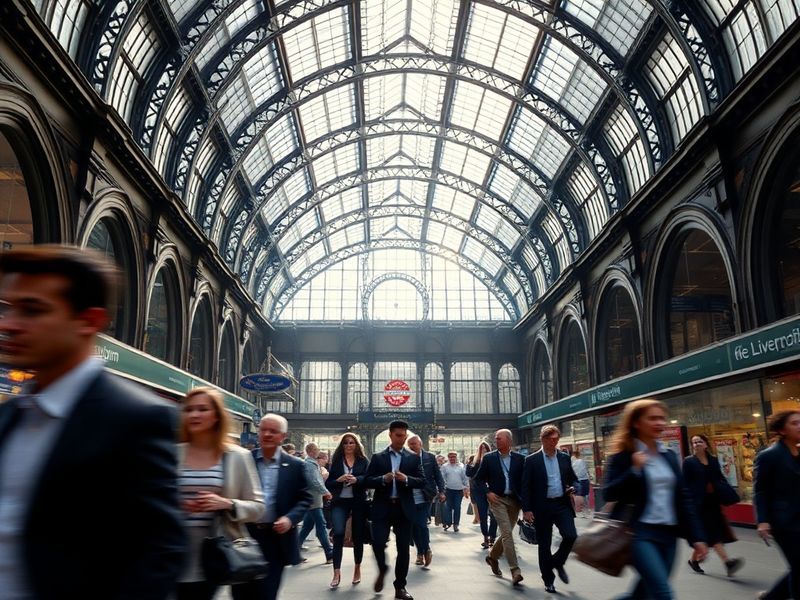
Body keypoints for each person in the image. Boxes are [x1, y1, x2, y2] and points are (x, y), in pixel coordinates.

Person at [0, 244, 187, 599]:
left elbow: (155, 559)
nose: (8, 324)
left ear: (88, 321)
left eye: (32, 310)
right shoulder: (9, 416)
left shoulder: (136, 419)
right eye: (9, 308)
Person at [603, 399, 708, 600]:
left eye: (661, 418)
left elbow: (683, 498)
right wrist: (634, 470)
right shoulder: (623, 456)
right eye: (652, 418)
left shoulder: (668, 455)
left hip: (669, 535)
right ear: (636, 422)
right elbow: (609, 493)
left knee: (645, 592)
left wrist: (697, 537)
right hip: (639, 533)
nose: (659, 423)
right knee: (663, 593)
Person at [176, 387, 265, 599]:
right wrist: (177, 505)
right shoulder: (172, 453)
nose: (194, 414)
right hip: (170, 555)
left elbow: (258, 508)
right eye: (189, 409)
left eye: (202, 409)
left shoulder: (237, 457)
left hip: (212, 559)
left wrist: (227, 504)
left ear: (216, 416)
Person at [237, 414, 312, 600]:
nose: (267, 434)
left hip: (275, 540)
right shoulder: (244, 460)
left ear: (283, 436)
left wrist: (290, 518)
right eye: (263, 430)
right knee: (241, 593)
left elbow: (305, 498)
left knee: (267, 593)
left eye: (273, 431)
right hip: (244, 537)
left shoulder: (295, 466)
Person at [365, 420, 425, 600]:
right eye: (398, 435)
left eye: (404, 435)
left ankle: (400, 587)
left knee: (403, 550)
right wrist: (382, 479)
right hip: (382, 507)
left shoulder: (413, 457)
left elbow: (422, 481)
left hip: (404, 509)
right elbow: (366, 480)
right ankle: (383, 568)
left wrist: (406, 479)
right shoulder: (377, 457)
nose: (402, 439)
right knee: (377, 543)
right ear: (390, 435)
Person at [522, 425, 578, 594]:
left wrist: (572, 487)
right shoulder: (532, 460)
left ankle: (557, 561)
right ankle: (548, 580)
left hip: (561, 504)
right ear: (543, 439)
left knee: (571, 535)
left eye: (556, 439)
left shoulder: (564, 457)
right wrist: (527, 509)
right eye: (551, 439)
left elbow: (572, 479)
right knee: (544, 545)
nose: (554, 442)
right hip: (542, 506)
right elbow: (526, 487)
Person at [754, 409, 800, 600]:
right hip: (784, 522)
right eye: (795, 423)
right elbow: (760, 491)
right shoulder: (769, 456)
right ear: (782, 430)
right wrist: (762, 521)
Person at [682, 434, 743, 577]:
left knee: (708, 535)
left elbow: (720, 478)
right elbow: (684, 485)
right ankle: (728, 563)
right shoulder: (689, 462)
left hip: (713, 501)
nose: (696, 444)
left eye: (699, 441)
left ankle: (693, 561)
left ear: (705, 444)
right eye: (694, 442)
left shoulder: (714, 460)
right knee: (713, 535)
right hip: (698, 504)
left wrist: (725, 492)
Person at [473, 428, 525, 586]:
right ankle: (515, 570)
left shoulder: (520, 459)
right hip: (497, 500)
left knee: (506, 533)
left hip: (515, 501)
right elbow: (478, 480)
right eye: (495, 439)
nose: (496, 441)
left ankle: (492, 557)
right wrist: (488, 492)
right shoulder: (489, 458)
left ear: (509, 441)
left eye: (499, 439)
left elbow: (525, 481)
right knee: (507, 533)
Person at [326, 432, 370, 588]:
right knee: (338, 533)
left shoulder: (363, 461)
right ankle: (336, 572)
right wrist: (339, 480)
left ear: (356, 444)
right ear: (342, 445)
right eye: (346, 443)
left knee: (358, 536)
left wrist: (357, 479)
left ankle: (357, 568)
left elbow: (369, 479)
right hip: (340, 502)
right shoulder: (337, 461)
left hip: (358, 502)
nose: (349, 445)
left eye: (352, 442)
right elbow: (329, 483)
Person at [407, 434, 445, 567]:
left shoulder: (430, 457)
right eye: (409, 444)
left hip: (426, 496)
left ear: (420, 444)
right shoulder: (405, 457)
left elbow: (437, 475)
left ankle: (426, 549)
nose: (411, 446)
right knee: (414, 526)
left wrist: (441, 491)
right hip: (409, 497)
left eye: (414, 444)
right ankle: (419, 553)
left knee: (422, 524)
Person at [297, 442, 334, 564]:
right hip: (314, 499)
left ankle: (294, 551)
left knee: (307, 526)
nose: (318, 451)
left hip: (312, 499)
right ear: (311, 451)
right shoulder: (310, 464)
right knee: (321, 525)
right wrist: (326, 492)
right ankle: (329, 553)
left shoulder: (311, 464)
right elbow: (314, 481)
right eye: (317, 449)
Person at [466, 441, 497, 549]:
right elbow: (468, 473)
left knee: (494, 516)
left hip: (492, 491)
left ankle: (492, 536)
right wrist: (473, 463)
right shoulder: (475, 461)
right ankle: (485, 537)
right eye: (481, 448)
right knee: (482, 516)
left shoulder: (493, 459)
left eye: (485, 448)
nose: (483, 450)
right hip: (479, 491)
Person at [440, 451, 469, 531]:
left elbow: (465, 478)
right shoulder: (445, 466)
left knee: (457, 507)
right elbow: (442, 478)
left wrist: (466, 487)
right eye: (451, 457)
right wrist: (443, 488)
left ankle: (456, 524)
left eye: (454, 456)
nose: (452, 458)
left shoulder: (461, 466)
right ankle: (448, 523)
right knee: (448, 507)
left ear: (456, 457)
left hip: (459, 491)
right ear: (448, 458)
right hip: (448, 490)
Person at [571, 449, 592, 517]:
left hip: (578, 481)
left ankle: (582, 511)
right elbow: (587, 470)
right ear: (579, 455)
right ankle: (586, 511)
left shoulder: (572, 462)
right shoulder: (582, 461)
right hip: (585, 480)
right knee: (585, 496)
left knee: (579, 496)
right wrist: (590, 478)